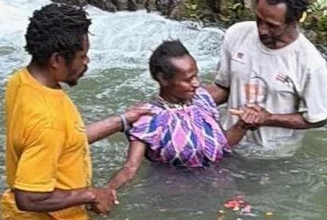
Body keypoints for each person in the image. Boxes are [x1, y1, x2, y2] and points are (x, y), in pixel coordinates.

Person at [0, 3, 148, 220]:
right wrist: (91, 194)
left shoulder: (21, 81)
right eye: (82, 56)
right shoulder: (48, 120)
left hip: (19, 219)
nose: (86, 62)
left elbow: (67, 140)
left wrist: (123, 120)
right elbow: (28, 198)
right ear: (57, 59)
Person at [206, 0, 327, 156]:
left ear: (293, 20)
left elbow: (317, 118)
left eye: (272, 25)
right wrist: (181, 100)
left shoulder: (310, 63)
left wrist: (268, 118)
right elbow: (223, 88)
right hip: (228, 141)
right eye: (258, 19)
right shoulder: (236, 34)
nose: (261, 30)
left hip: (273, 155)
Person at [106, 40, 248, 190]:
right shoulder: (147, 119)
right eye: (188, 80)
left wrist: (243, 124)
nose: (196, 83)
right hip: (178, 194)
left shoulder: (203, 99)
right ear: (163, 79)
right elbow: (130, 168)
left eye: (196, 76)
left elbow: (222, 145)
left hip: (223, 185)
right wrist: (108, 191)